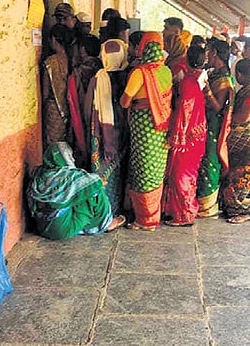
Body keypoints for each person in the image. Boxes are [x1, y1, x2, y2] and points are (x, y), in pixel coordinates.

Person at [120, 32, 173, 231]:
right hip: (162, 128)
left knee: (143, 170)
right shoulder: (166, 71)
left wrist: (137, 102)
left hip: (144, 130)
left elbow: (124, 102)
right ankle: (153, 215)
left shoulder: (140, 72)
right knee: (155, 170)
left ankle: (145, 220)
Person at [27, 142, 125, 240]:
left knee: (77, 194)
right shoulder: (67, 176)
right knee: (96, 191)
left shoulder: (39, 174)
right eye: (70, 155)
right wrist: (96, 183)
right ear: (64, 157)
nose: (73, 159)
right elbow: (97, 182)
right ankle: (106, 223)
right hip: (61, 230)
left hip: (42, 228)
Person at [162, 46, 207, 226]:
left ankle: (185, 214)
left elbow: (185, 110)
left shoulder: (188, 82)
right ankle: (177, 210)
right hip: (196, 136)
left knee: (182, 176)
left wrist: (177, 136)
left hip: (187, 138)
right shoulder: (193, 81)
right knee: (183, 175)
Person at [222, 59, 250, 223]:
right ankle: (234, 208)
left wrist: (226, 118)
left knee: (247, 177)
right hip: (245, 144)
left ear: (240, 75)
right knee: (238, 176)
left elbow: (244, 117)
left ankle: (244, 211)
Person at [88, 37, 129, 214]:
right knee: (123, 169)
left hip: (102, 132)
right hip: (124, 131)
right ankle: (121, 207)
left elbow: (88, 106)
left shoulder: (98, 78)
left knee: (103, 171)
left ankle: (104, 210)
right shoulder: (129, 76)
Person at [197, 38, 234, 217]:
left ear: (214, 53)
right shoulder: (213, 73)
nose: (206, 55)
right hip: (205, 122)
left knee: (211, 161)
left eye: (208, 51)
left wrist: (206, 90)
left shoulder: (225, 78)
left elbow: (218, 106)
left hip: (214, 124)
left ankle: (208, 205)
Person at [68, 34, 102, 167]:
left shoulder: (79, 71)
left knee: (82, 138)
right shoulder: (103, 67)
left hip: (81, 110)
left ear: (83, 49)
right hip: (99, 111)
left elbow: (71, 95)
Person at [42, 24, 72, 148]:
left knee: (53, 144)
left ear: (54, 39)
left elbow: (45, 90)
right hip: (71, 107)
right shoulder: (72, 59)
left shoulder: (50, 62)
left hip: (54, 108)